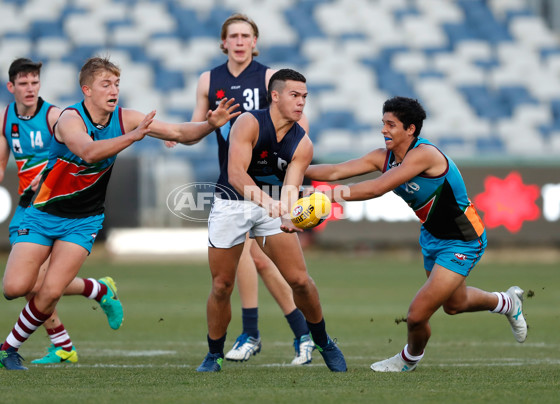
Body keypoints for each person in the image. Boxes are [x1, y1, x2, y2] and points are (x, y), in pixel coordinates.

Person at [0, 56, 240, 370]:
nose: (114, 90)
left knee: (50, 291)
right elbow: (87, 151)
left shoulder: (124, 118)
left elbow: (179, 132)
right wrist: (131, 138)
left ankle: (8, 350)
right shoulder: (70, 119)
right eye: (106, 84)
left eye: (117, 84)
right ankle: (98, 289)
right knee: (14, 288)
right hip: (42, 214)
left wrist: (209, 125)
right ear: (87, 90)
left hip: (83, 221)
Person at [304, 96, 528, 372]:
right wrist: (289, 171)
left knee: (417, 315)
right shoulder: (383, 156)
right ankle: (507, 302)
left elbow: (376, 188)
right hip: (432, 237)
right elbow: (337, 170)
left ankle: (408, 359)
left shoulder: (425, 155)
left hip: (463, 239)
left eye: (391, 125)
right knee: (455, 305)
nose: (384, 130)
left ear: (410, 129)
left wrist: (326, 196)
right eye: (383, 123)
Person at [170, 13, 314, 365]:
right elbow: (196, 128)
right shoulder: (209, 80)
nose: (238, 41)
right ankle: (295, 335)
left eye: (245, 35)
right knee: (254, 264)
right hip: (233, 182)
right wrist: (189, 131)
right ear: (223, 42)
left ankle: (269, 334)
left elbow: (300, 131)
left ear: (254, 42)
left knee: (262, 264)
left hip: (267, 184)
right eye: (232, 35)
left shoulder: (268, 77)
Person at [196, 68, 347, 372]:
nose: (302, 102)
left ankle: (323, 341)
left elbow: (291, 187)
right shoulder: (248, 122)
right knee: (222, 285)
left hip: (272, 206)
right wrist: (267, 201)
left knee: (300, 281)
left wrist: (290, 214)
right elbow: (236, 173)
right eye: (295, 95)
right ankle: (214, 354)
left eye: (305, 96)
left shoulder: (302, 144)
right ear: (275, 96)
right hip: (232, 202)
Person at [0, 57, 125, 366]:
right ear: (12, 87)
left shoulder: (56, 117)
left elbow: (68, 151)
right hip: (28, 207)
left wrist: (43, 175)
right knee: (25, 285)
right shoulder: (4, 120)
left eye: (35, 82)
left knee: (44, 285)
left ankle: (60, 345)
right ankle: (96, 289)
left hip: (56, 204)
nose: (31, 88)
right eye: (24, 83)